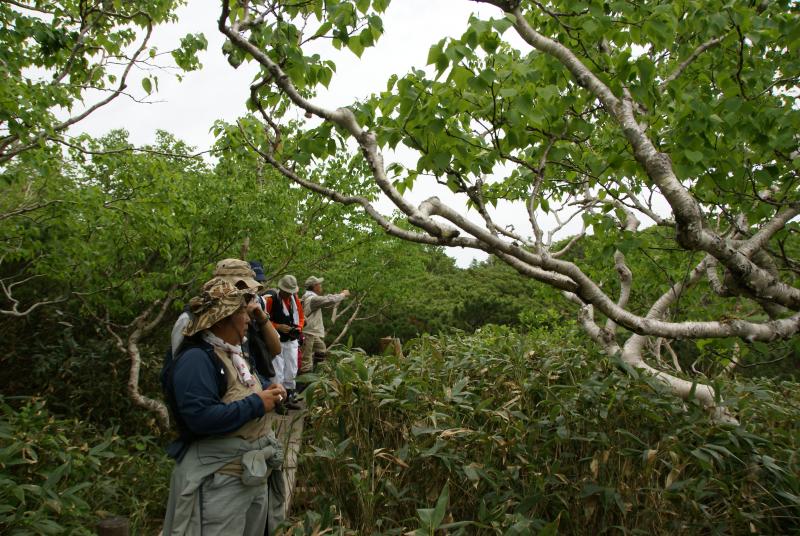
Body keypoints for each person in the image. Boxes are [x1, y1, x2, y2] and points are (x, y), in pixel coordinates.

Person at [162, 277, 288, 536]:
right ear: (221, 320)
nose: (247, 319)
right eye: (241, 312)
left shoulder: (233, 354)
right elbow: (199, 417)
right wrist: (257, 404)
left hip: (249, 475)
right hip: (221, 481)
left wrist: (268, 395)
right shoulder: (196, 360)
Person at [264, 275, 304, 410]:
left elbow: (301, 317)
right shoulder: (271, 300)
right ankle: (278, 401)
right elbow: (264, 321)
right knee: (277, 371)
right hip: (276, 340)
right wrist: (278, 326)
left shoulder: (295, 300)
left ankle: (289, 399)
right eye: (287, 291)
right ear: (281, 289)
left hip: (291, 340)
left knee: (292, 369)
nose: (289, 294)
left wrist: (298, 328)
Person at [300, 276, 349, 381]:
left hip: (312, 332)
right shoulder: (312, 298)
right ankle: (303, 386)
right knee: (306, 361)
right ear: (314, 286)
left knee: (321, 349)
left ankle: (315, 376)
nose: (320, 286)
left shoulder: (308, 297)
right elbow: (329, 299)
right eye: (319, 284)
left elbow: (327, 301)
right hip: (308, 333)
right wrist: (343, 295)